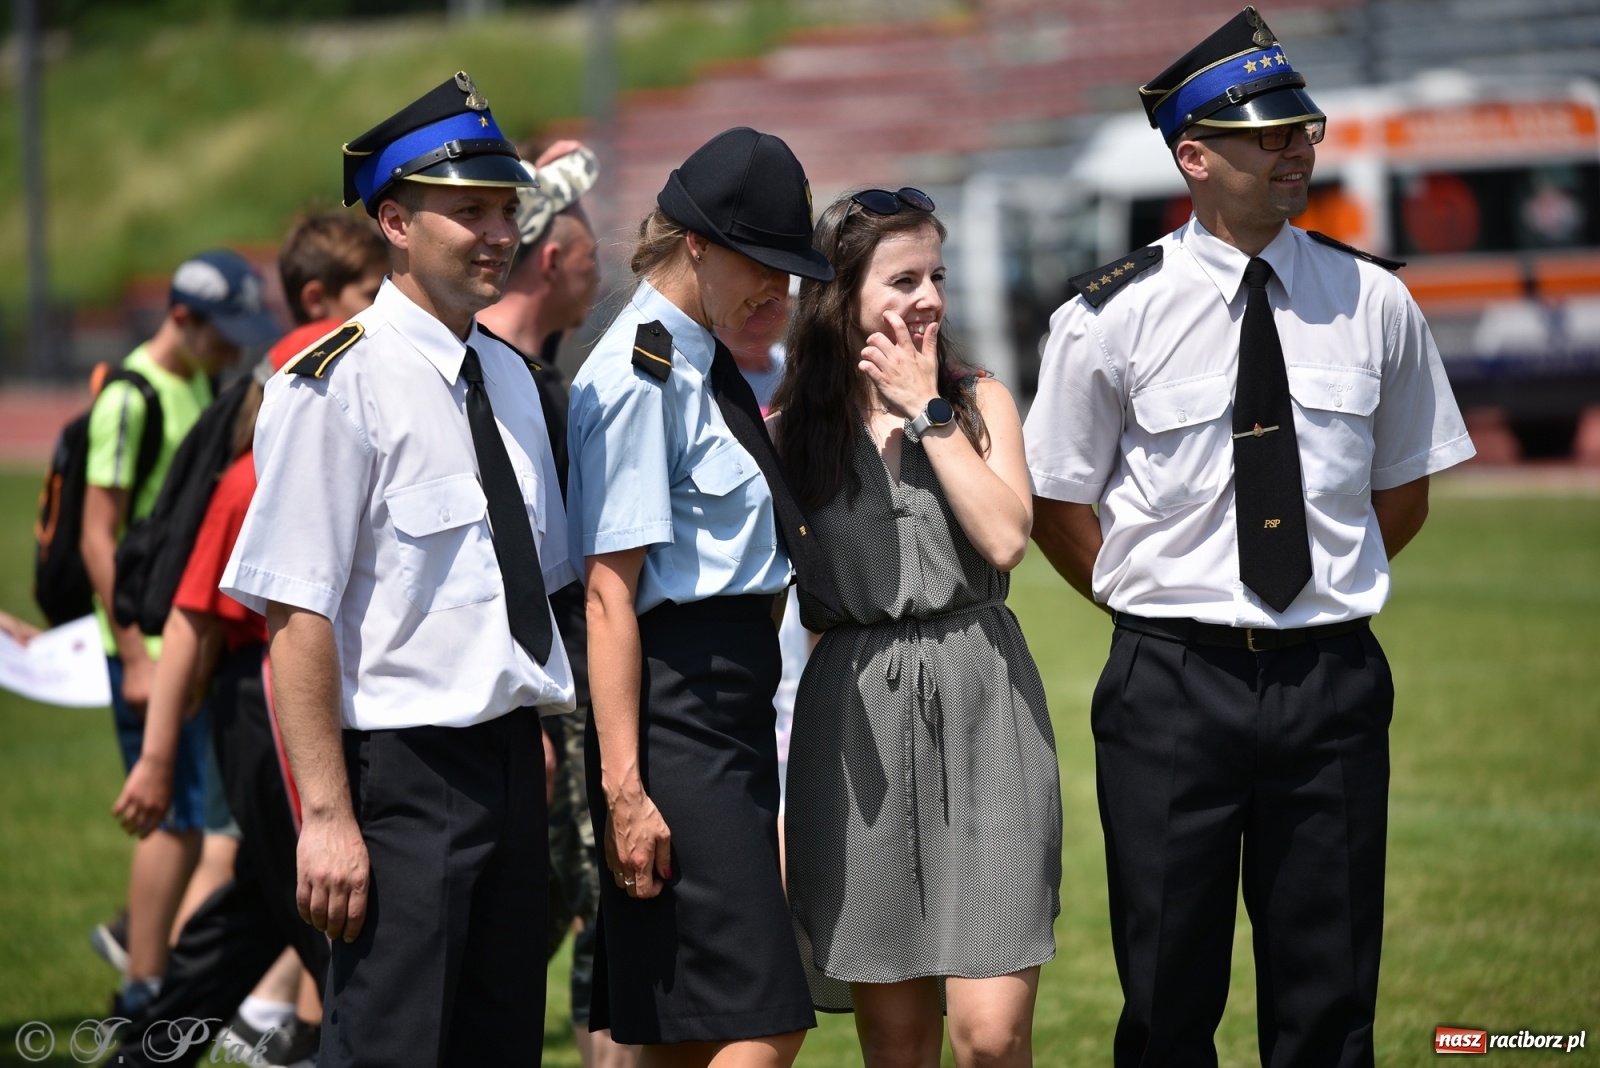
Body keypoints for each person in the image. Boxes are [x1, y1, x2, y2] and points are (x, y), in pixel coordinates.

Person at [1024, 9, 1477, 1066]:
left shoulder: (1375, 299)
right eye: (1267, 136)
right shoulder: (1107, 316)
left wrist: (1317, 592)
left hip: (1330, 678)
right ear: (1193, 157)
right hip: (1170, 683)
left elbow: (1399, 492)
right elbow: (1058, 502)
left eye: (1301, 131)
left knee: (1328, 1005)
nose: (1294, 152)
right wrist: (1158, 606)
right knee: (1167, 999)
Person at [220, 71, 577, 1067]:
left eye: (505, 209)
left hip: (509, 764)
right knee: (391, 1046)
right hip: (400, 776)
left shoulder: (507, 379)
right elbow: (297, 615)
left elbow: (529, 585)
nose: (498, 233)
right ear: (394, 222)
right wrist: (327, 817)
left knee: (496, 1044)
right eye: (467, 212)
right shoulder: (335, 386)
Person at [772, 189, 1061, 1068]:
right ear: (841, 295)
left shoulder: (979, 402)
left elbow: (1008, 537)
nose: (929, 296)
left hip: (987, 707)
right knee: (898, 1048)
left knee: (989, 1036)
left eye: (936, 275)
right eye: (903, 280)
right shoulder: (789, 434)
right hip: (853, 724)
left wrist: (927, 412)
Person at [565, 126, 834, 1067]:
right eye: (762, 262)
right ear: (697, 246)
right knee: (768, 1016)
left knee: (694, 1024)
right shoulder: (642, 373)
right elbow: (609, 595)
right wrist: (626, 788)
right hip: (678, 715)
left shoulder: (700, 360)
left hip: (728, 707)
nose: (779, 289)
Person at [108, 212, 386, 1068]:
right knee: (328, 917)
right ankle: (327, 1036)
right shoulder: (252, 479)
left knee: (261, 904)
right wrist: (156, 759)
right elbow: (193, 619)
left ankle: (151, 1047)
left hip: (290, 705)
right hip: (258, 709)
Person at [82, 247, 280, 1016]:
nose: (231, 348)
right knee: (171, 816)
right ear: (181, 316)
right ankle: (143, 983)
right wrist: (133, 649)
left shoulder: (199, 378)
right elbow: (101, 534)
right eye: (220, 331)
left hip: (190, 637)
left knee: (200, 818)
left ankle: (160, 973)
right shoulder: (131, 397)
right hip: (151, 638)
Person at [478, 140, 639, 1068]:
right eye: (586, 243)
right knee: (591, 899)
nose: (596, 259)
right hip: (543, 701)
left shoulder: (527, 381)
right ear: (550, 258)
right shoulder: (501, 387)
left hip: (556, 694)